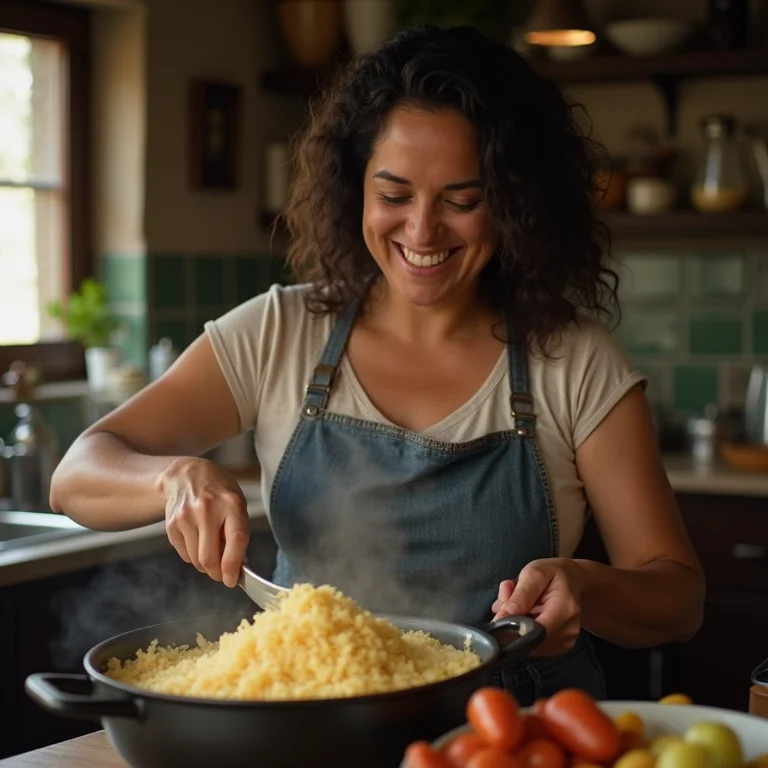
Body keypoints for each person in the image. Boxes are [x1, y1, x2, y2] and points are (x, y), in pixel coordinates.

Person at [50, 25, 705, 704]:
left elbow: (678, 596)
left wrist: (588, 588)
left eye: (462, 200)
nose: (422, 232)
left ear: (515, 203)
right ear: (353, 189)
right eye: (394, 196)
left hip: (515, 733)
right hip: (313, 726)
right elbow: (77, 473)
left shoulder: (574, 361)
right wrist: (174, 479)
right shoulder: (280, 332)